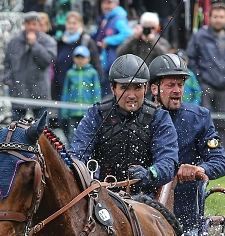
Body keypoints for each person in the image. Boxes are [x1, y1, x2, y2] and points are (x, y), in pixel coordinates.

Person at [149, 53, 225, 236]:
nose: (177, 90)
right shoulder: (142, 118)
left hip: (187, 216)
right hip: (145, 213)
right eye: (170, 84)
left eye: (180, 84)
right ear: (154, 89)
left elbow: (220, 161)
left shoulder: (199, 117)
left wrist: (198, 169)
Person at [71, 54, 179, 196]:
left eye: (137, 87)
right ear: (113, 88)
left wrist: (150, 173)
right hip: (102, 194)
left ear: (146, 88)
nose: (131, 95)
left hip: (145, 197)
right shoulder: (96, 114)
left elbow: (169, 161)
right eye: (125, 88)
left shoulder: (159, 117)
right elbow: (77, 154)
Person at [185, 3, 225, 134]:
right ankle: (204, 151)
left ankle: (221, 151)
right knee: (203, 119)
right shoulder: (199, 36)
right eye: (215, 16)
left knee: (223, 122)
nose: (218, 20)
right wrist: (200, 76)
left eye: (221, 17)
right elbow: (191, 58)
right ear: (209, 17)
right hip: (205, 85)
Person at [3, 12, 57, 121]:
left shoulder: (48, 41)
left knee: (41, 129)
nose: (31, 27)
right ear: (24, 24)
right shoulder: (14, 42)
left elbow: (47, 60)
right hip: (18, 90)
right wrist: (8, 80)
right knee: (16, 128)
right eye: (28, 23)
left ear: (39, 24)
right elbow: (7, 63)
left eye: (34, 24)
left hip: (40, 91)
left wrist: (35, 44)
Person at [52, 11, 101, 101]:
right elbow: (56, 68)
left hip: (83, 94)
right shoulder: (60, 42)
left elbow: (97, 66)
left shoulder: (87, 41)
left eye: (74, 23)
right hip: (62, 90)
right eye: (69, 23)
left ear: (81, 24)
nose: (71, 26)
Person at [60, 45, 102, 139]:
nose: (80, 60)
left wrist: (96, 109)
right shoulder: (70, 73)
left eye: (82, 57)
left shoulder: (92, 73)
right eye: (77, 57)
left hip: (87, 111)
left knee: (88, 134)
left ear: (88, 58)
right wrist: (64, 109)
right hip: (73, 111)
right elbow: (66, 92)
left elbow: (96, 92)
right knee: (72, 135)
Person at [93, 0, 133, 95]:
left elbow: (128, 34)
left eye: (109, 2)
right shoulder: (106, 18)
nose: (106, 6)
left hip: (115, 67)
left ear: (117, 4)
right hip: (106, 65)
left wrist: (108, 41)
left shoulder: (119, 18)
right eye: (104, 3)